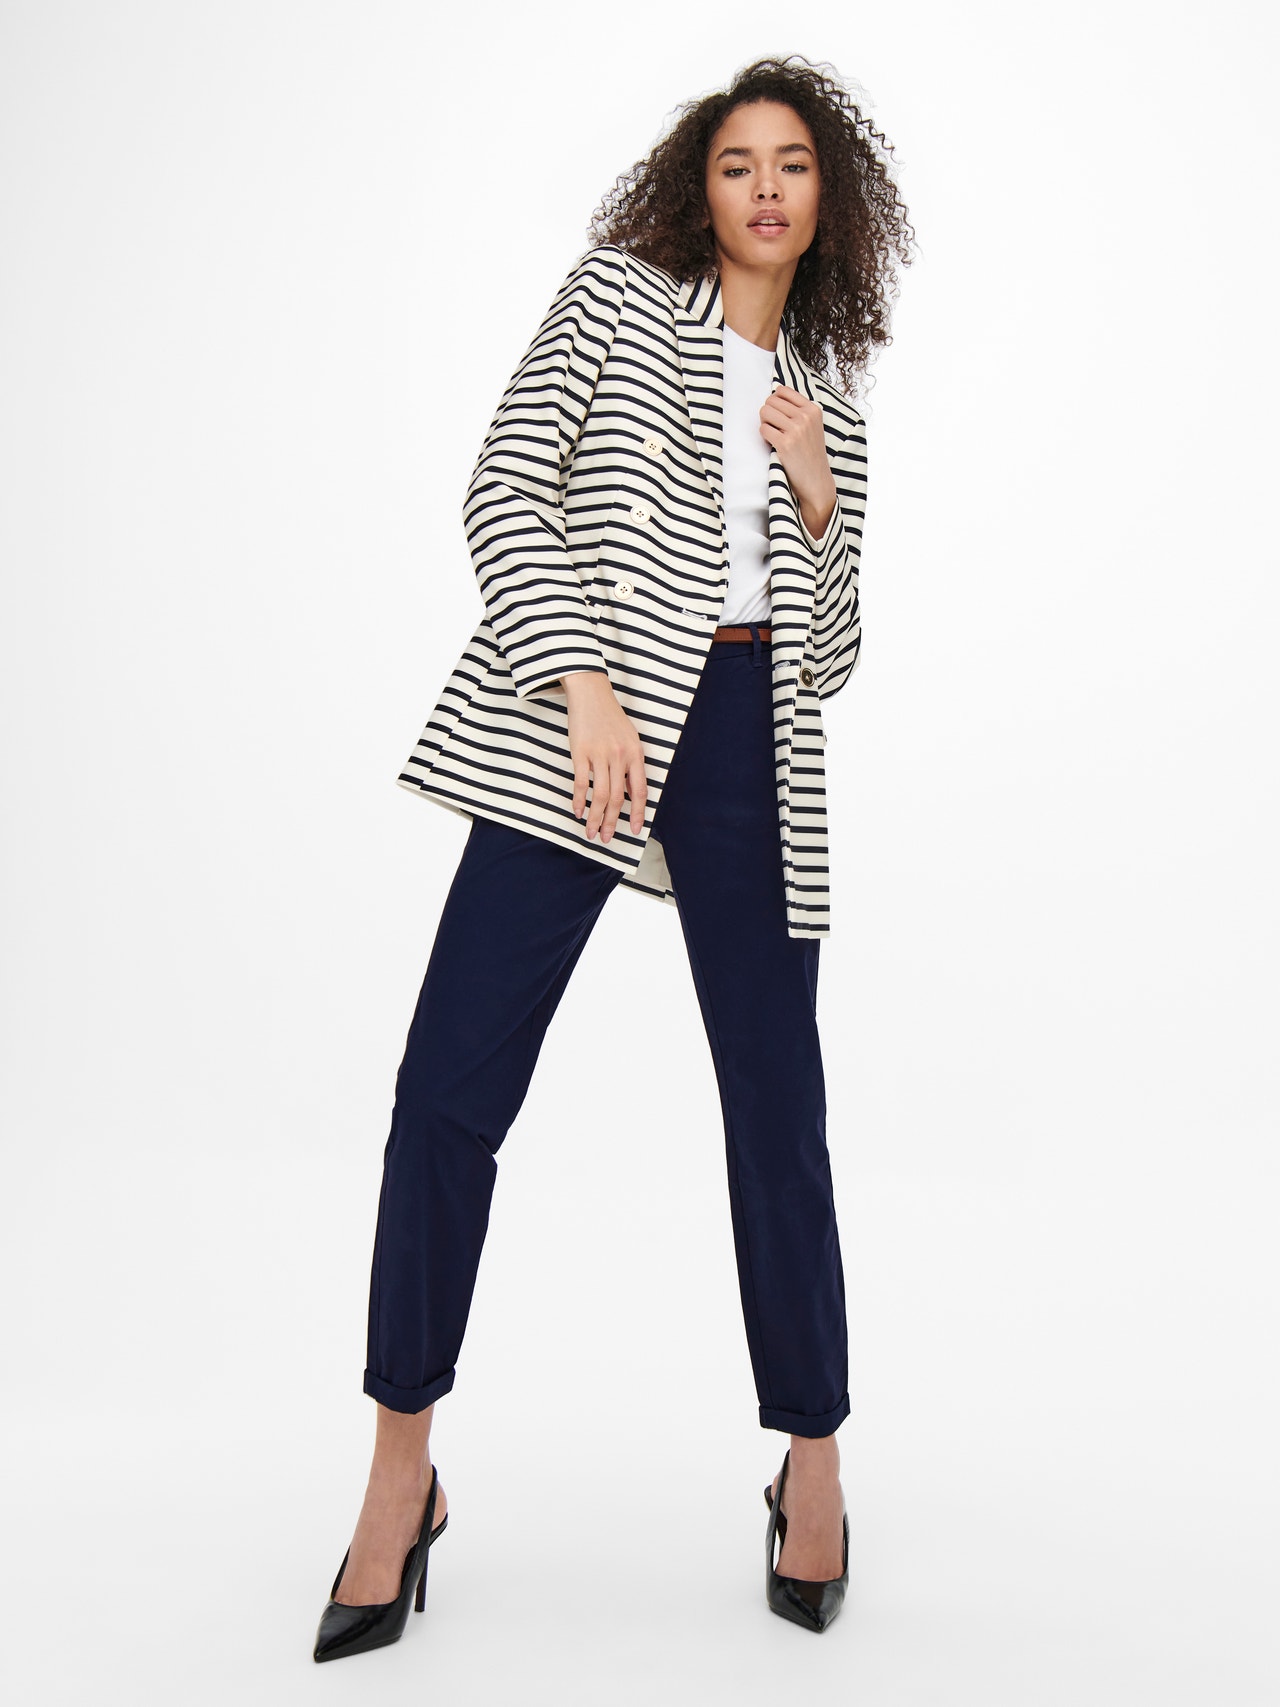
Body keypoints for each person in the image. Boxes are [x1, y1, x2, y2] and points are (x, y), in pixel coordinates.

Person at [313, 54, 913, 1659]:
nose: (767, 188)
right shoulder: (614, 303)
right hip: (582, 724)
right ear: (697, 188)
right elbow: (504, 488)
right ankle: (400, 1471)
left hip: (751, 750)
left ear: (830, 200)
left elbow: (835, 658)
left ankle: (811, 1458)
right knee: (448, 1090)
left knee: (779, 1117)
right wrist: (580, 677)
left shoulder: (832, 405)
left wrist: (819, 503)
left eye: (794, 165)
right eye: (738, 163)